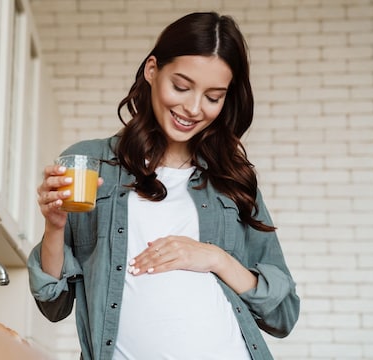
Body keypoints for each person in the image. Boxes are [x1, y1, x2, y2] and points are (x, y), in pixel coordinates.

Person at [29, 11, 299, 360]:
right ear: (152, 70)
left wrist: (215, 258)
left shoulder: (230, 179)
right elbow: (55, 304)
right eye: (182, 87)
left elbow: (283, 314)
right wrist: (54, 227)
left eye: (213, 97)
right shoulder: (92, 164)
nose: (193, 108)